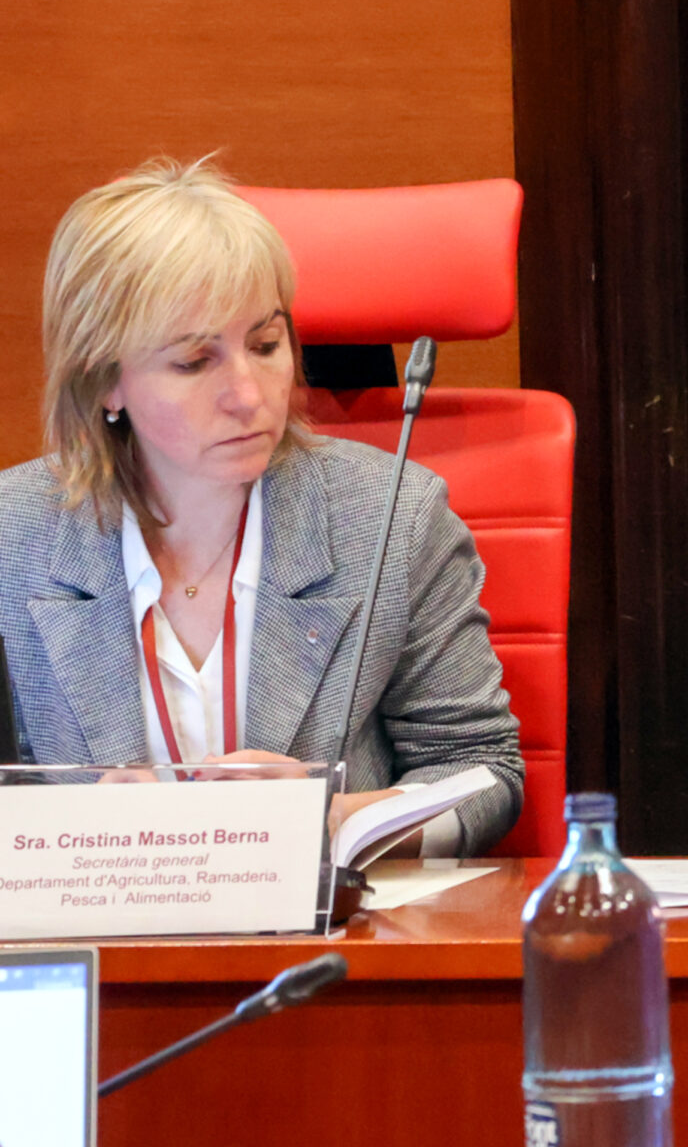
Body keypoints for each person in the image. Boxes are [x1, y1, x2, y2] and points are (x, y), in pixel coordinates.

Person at [0, 158, 522, 854]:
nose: (249, 394)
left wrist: (327, 821)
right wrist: (71, 831)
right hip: (103, 919)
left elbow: (485, 772)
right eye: (194, 362)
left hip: (324, 921)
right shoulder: (13, 535)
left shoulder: (391, 516)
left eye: (266, 345)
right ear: (104, 383)